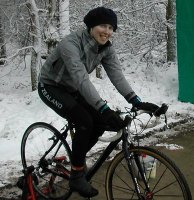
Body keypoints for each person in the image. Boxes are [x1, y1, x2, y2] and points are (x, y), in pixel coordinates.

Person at [37, 6, 159, 198]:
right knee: (85, 121)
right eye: (103, 26)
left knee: (100, 123)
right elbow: (81, 79)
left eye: (111, 28)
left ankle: (75, 157)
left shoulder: (107, 48)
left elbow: (117, 75)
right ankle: (77, 174)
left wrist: (136, 101)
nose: (107, 32)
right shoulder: (70, 44)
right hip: (51, 86)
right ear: (91, 26)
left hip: (73, 88)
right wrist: (103, 108)